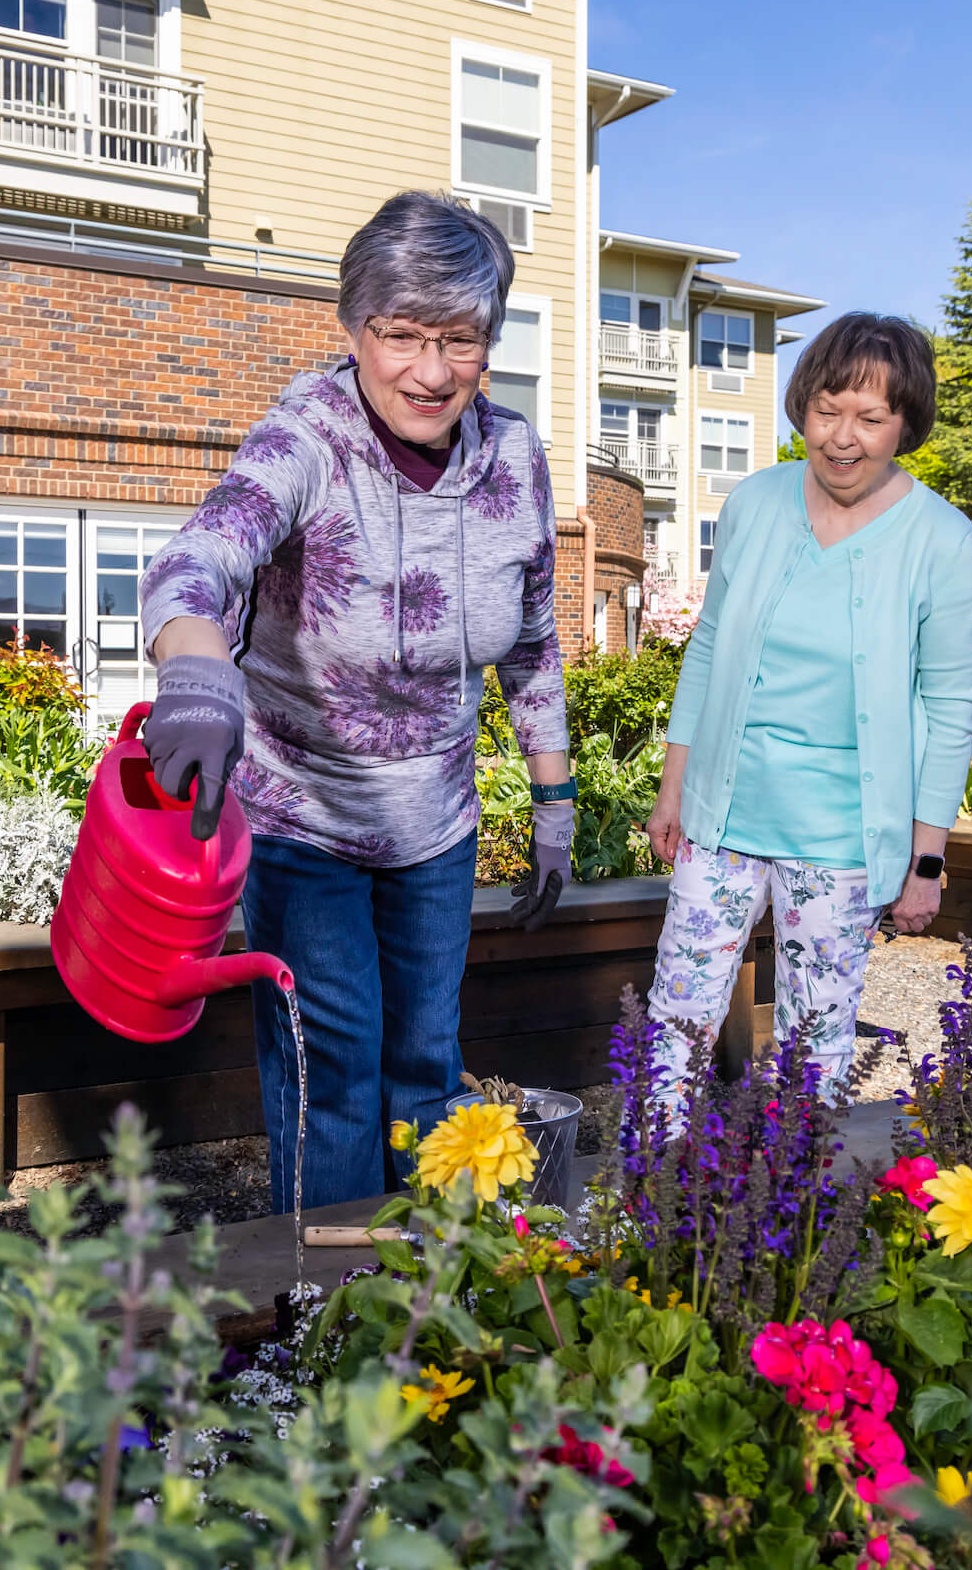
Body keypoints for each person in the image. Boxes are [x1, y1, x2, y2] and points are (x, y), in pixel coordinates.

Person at [139, 190, 573, 1214]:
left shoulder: (513, 459)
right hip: (304, 823)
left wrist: (552, 806)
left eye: (459, 339)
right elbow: (195, 562)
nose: (430, 370)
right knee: (332, 1079)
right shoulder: (305, 440)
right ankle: (325, 1318)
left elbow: (533, 638)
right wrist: (196, 673)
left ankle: (426, 1299)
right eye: (402, 334)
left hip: (436, 823)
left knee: (424, 1067)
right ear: (352, 326)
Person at [644, 312, 972, 1097]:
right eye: (827, 410)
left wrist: (926, 860)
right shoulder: (756, 502)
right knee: (676, 1017)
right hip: (723, 816)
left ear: (906, 424)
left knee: (816, 1038)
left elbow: (950, 708)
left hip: (841, 838)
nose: (842, 437)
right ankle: (648, 1193)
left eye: (871, 418)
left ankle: (796, 1211)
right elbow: (708, 644)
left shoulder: (940, 537)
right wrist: (675, 787)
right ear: (802, 405)